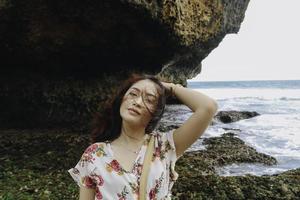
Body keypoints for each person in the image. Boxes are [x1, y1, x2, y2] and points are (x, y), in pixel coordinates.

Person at [68, 73, 218, 200]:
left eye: (149, 99)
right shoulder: (94, 155)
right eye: (133, 94)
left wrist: (171, 87)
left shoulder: (164, 146)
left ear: (155, 113)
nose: (138, 102)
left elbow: (208, 107)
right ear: (122, 100)